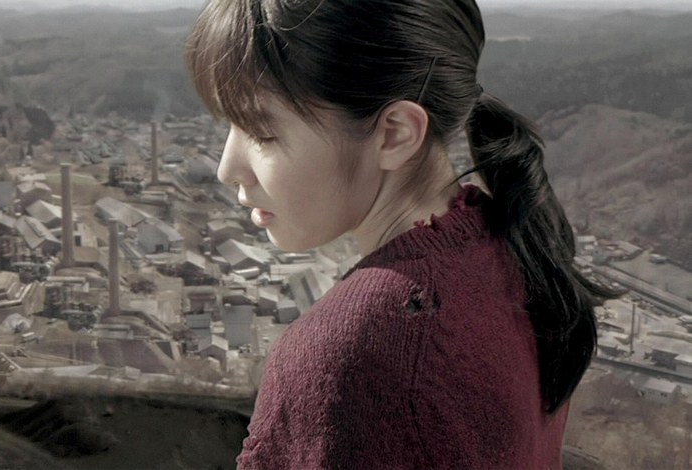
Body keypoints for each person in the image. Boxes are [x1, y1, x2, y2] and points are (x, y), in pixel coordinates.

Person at [186, 0, 618, 468]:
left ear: (394, 134)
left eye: (262, 132)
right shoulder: (509, 245)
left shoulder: (352, 353)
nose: (227, 169)